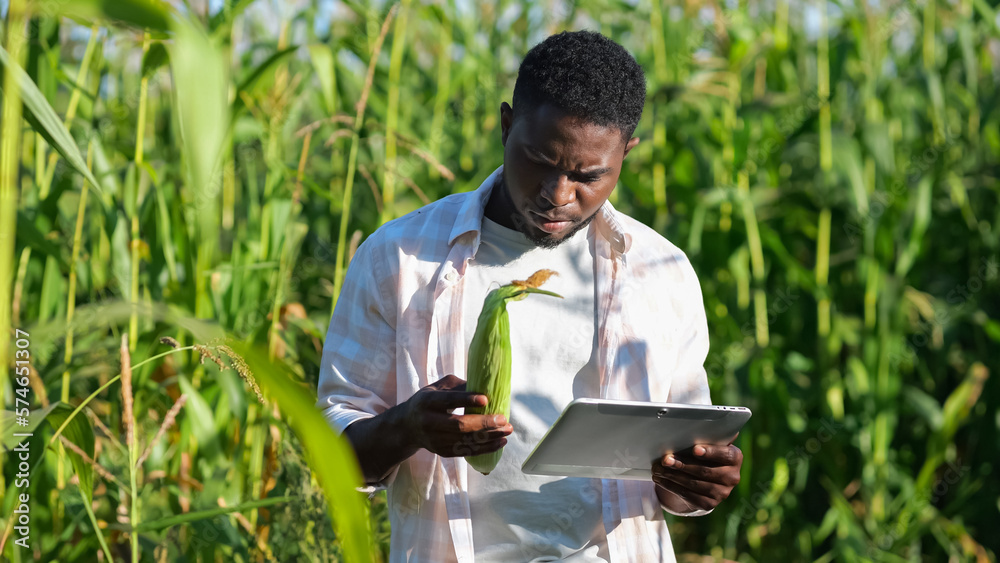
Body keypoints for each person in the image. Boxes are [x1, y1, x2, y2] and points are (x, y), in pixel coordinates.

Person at [318, 30, 743, 562]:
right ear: (505, 126)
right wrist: (408, 427)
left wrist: (700, 483)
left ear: (625, 153)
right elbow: (333, 451)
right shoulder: (399, 259)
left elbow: (678, 473)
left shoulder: (661, 272)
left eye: (589, 175)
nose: (557, 195)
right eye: (539, 160)